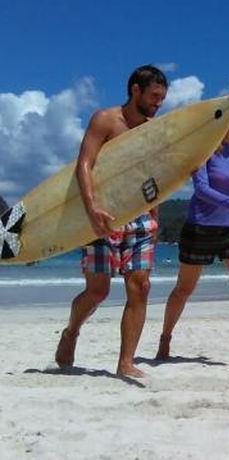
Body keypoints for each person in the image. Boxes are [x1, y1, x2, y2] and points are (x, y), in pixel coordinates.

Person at [54, 65, 168, 378]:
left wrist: (155, 218)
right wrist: (91, 210)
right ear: (135, 90)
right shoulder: (105, 119)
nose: (159, 104)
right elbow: (84, 165)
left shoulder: (151, 130)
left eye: (162, 98)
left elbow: (152, 178)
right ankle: (71, 332)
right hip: (100, 216)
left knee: (140, 286)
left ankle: (125, 362)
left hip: (139, 219)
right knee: (98, 291)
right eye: (154, 96)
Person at [155, 100, 229, 368]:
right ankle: (165, 338)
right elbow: (202, 189)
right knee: (184, 289)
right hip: (200, 227)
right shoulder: (203, 148)